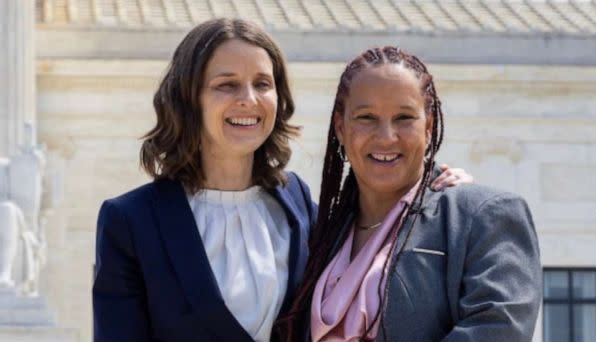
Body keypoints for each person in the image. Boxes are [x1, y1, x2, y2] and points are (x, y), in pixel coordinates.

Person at [92, 19, 472, 342]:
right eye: (227, 84)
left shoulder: (297, 202)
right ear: (190, 98)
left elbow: (377, 232)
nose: (249, 99)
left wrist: (434, 186)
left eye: (262, 83)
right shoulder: (131, 221)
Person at [280, 46, 541, 342]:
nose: (386, 136)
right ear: (341, 127)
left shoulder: (481, 216)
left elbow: (499, 328)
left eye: (404, 118)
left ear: (428, 127)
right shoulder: (322, 236)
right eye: (366, 117)